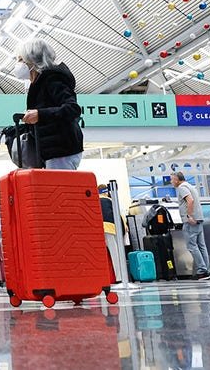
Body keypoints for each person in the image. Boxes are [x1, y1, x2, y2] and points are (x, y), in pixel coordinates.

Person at [14, 39, 83, 170]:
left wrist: (40, 114)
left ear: (32, 60)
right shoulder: (39, 83)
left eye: (20, 60)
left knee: (60, 188)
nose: (18, 64)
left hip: (62, 150)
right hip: (54, 151)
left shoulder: (52, 79)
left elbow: (72, 108)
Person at [171, 172, 210, 279]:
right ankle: (206, 270)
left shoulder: (182, 187)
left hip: (191, 221)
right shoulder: (190, 186)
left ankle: (202, 271)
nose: (171, 182)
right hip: (199, 219)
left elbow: (190, 200)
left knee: (192, 246)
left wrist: (189, 216)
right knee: (201, 246)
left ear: (176, 179)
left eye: (172, 180)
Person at [98, 184, 126, 283]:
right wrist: (123, 232)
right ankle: (119, 278)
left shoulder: (94, 201)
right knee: (116, 254)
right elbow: (120, 217)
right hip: (110, 229)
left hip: (97, 230)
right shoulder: (110, 201)